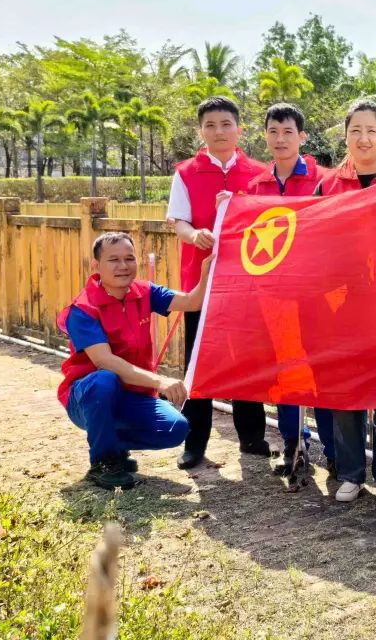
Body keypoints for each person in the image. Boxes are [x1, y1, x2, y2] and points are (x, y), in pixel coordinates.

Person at [58, 232, 211, 489]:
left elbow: (192, 302)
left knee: (175, 428)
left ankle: (112, 444)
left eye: (129, 258)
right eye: (113, 260)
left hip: (133, 394)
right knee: (104, 380)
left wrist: (207, 272)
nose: (123, 266)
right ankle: (103, 462)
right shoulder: (82, 309)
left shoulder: (144, 292)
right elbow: (105, 361)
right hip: (87, 398)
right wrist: (160, 381)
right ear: (95, 266)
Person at [166, 96, 269, 469]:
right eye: (210, 125)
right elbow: (178, 221)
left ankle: (252, 437)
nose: (219, 131)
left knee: (247, 359)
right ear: (201, 131)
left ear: (239, 129)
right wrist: (194, 235)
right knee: (198, 361)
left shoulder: (259, 173)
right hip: (202, 284)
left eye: (226, 124)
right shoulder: (186, 173)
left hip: (247, 283)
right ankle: (195, 443)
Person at [247, 102, 336, 477]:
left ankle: (335, 450)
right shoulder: (255, 188)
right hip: (275, 294)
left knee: (325, 368)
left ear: (302, 137)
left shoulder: (323, 179)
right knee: (286, 368)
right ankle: (294, 444)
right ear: (265, 136)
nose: (280, 139)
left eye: (288, 132)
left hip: (318, 293)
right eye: (273, 132)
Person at [317, 100, 376, 503]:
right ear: (345, 136)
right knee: (346, 389)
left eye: (371, 131)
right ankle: (349, 472)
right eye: (355, 131)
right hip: (342, 305)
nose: (364, 139)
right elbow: (310, 239)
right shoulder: (328, 186)